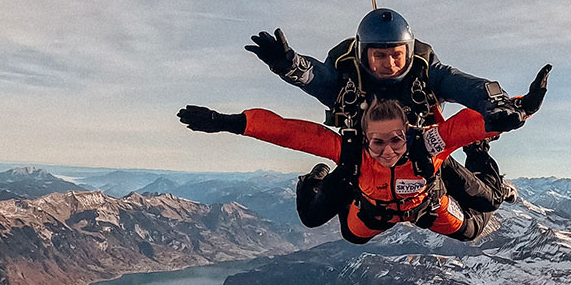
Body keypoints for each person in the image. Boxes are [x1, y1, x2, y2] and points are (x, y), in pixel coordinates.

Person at [245, 9, 532, 220]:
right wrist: (289, 65)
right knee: (313, 216)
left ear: (408, 52)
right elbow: (316, 77)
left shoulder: (426, 72)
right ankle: (314, 178)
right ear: (363, 54)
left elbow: (463, 85)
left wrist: (493, 103)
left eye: (397, 55)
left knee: (484, 202)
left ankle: (483, 162)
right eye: (379, 56)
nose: (390, 64)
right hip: (363, 157)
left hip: (422, 155)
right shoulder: (347, 78)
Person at [178, 98, 516, 243]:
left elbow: (468, 125)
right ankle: (316, 178)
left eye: (396, 141)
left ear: (408, 136)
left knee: (477, 220)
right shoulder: (352, 152)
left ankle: (486, 165)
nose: (387, 151)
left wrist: (522, 107)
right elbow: (291, 133)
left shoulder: (427, 146)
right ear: (366, 138)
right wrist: (230, 122)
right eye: (377, 143)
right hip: (372, 209)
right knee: (319, 219)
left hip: (426, 205)